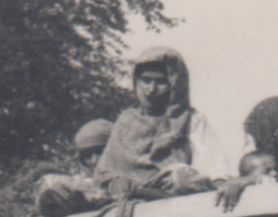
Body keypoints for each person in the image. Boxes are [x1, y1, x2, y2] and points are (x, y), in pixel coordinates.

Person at [95, 46, 233, 199]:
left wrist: (220, 183)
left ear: (175, 85)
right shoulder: (126, 121)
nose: (151, 90)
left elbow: (214, 164)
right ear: (136, 81)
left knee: (180, 176)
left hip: (171, 190)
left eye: (161, 82)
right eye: (146, 81)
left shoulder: (190, 119)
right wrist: (117, 181)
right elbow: (106, 171)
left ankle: (149, 194)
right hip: (128, 190)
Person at [35, 118, 115, 217]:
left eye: (100, 152)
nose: (94, 161)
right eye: (87, 155)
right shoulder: (82, 186)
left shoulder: (136, 177)